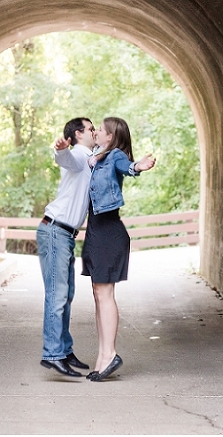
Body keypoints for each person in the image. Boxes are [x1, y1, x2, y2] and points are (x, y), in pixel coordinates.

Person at [81, 117, 156, 381]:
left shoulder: (114, 157)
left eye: (100, 130)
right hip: (95, 231)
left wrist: (140, 166)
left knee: (105, 294)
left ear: (110, 137)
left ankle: (110, 353)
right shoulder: (96, 159)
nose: (96, 132)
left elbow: (128, 166)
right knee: (98, 294)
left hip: (109, 232)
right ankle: (102, 357)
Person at [37, 117, 97, 377]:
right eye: (91, 129)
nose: (95, 132)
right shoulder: (78, 155)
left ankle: (64, 348)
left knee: (66, 295)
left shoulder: (90, 158)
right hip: (55, 231)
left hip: (65, 235)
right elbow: (66, 159)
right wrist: (61, 149)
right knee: (57, 294)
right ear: (78, 135)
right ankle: (52, 354)